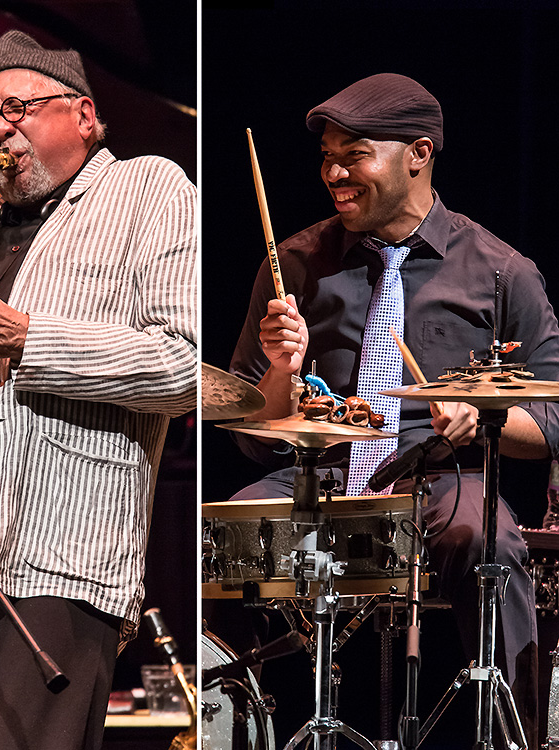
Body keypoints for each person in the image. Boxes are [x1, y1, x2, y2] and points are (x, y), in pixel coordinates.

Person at [228, 73, 559, 742]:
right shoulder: (290, 263)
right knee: (228, 538)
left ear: (417, 152)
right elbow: (252, 435)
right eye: (325, 156)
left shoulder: (501, 271)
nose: (333, 173)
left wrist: (482, 419)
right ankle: (233, 725)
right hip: (316, 472)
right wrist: (280, 374)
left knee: (484, 538)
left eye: (352, 154)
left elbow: (552, 420)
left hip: (440, 475)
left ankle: (513, 729)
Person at [0, 30, 197, 750]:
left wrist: (26, 337)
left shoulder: (147, 186)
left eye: (19, 106)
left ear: (85, 116)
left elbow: (182, 366)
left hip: (56, 554)